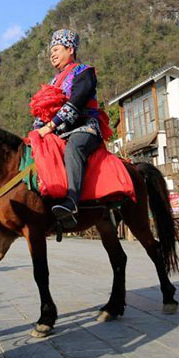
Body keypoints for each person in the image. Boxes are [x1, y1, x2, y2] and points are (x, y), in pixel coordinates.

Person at [32, 29, 110, 228]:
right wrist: (36, 130)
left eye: (57, 50)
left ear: (70, 49)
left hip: (85, 127)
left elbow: (76, 102)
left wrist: (50, 126)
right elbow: (44, 110)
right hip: (58, 129)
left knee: (73, 147)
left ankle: (72, 201)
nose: (52, 55)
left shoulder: (84, 72)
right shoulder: (52, 82)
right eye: (51, 51)